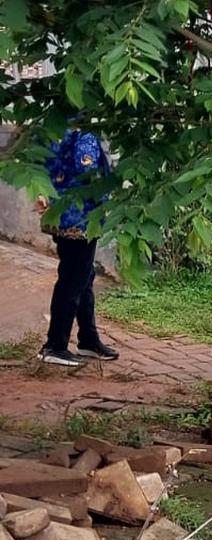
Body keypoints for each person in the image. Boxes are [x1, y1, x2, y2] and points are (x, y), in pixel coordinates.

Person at [35, 127, 117, 367]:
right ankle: (55, 345)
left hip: (63, 218)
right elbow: (87, 173)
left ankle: (88, 340)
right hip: (81, 220)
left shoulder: (56, 129)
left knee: (83, 277)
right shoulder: (85, 135)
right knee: (72, 281)